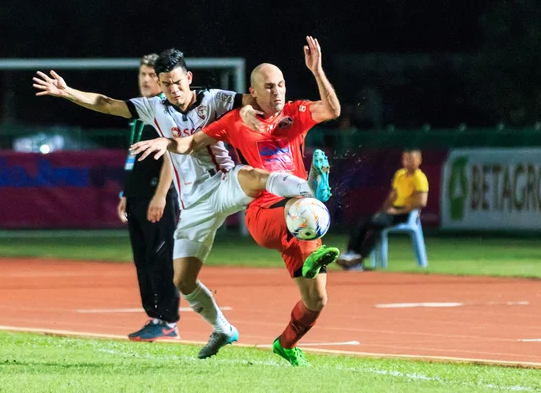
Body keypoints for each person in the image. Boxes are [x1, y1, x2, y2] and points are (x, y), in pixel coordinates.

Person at [32, 48, 327, 359]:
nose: (172, 89)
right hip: (193, 204)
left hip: (224, 182)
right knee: (183, 280)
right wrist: (67, 93)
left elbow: (256, 98)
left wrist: (250, 114)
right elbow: (107, 104)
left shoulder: (214, 98)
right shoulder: (153, 107)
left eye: (176, 81)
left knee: (252, 174)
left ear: (188, 78)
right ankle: (223, 328)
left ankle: (308, 189)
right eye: (165, 84)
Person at [131, 36, 341, 366]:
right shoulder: (235, 120)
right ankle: (311, 190)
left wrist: (317, 70)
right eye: (269, 87)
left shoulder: (295, 113)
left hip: (299, 219)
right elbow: (191, 143)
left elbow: (332, 109)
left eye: (281, 85)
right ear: (253, 93)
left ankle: (285, 344)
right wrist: (166, 143)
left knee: (317, 301)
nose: (278, 92)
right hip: (265, 213)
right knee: (303, 205)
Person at [116, 53, 180, 341]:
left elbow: (172, 156)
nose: (145, 80)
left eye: (151, 76)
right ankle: (154, 317)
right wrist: (126, 193)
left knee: (160, 258)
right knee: (143, 259)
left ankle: (168, 321)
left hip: (159, 196)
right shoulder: (139, 113)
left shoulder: (166, 112)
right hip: (138, 196)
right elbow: (135, 161)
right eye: (142, 74)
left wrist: (161, 195)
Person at [336, 149, 429, 270]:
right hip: (392, 211)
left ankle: (359, 259)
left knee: (376, 226)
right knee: (363, 221)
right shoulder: (400, 174)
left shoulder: (420, 178)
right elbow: (392, 196)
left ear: (419, 160)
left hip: (407, 213)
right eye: (405, 158)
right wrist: (383, 210)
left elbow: (421, 202)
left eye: (411, 159)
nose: (408, 162)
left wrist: (398, 212)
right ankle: (351, 253)